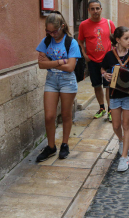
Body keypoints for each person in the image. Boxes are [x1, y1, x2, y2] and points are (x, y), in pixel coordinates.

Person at [35, 11, 81, 162]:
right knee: (49, 116)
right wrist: (60, 62)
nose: (51, 34)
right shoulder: (46, 41)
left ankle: (65, 144)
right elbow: (41, 65)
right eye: (48, 31)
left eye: (54, 31)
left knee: (66, 114)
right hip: (51, 81)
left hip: (67, 81)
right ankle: (51, 147)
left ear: (62, 27)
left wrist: (51, 61)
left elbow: (71, 67)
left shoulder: (71, 43)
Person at [101, 26, 129, 172]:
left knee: (126, 125)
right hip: (114, 95)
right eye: (126, 38)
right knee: (116, 125)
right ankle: (120, 140)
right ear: (117, 40)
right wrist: (105, 75)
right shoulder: (109, 56)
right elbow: (103, 68)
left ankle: (124, 157)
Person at [78, 0, 115, 122]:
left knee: (108, 86)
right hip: (93, 61)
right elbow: (80, 41)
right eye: (92, 9)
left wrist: (114, 54)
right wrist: (84, 55)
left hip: (107, 61)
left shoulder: (109, 23)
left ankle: (110, 110)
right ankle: (101, 108)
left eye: (97, 8)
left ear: (101, 9)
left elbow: (116, 40)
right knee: (97, 85)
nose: (95, 11)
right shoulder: (83, 25)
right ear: (88, 10)